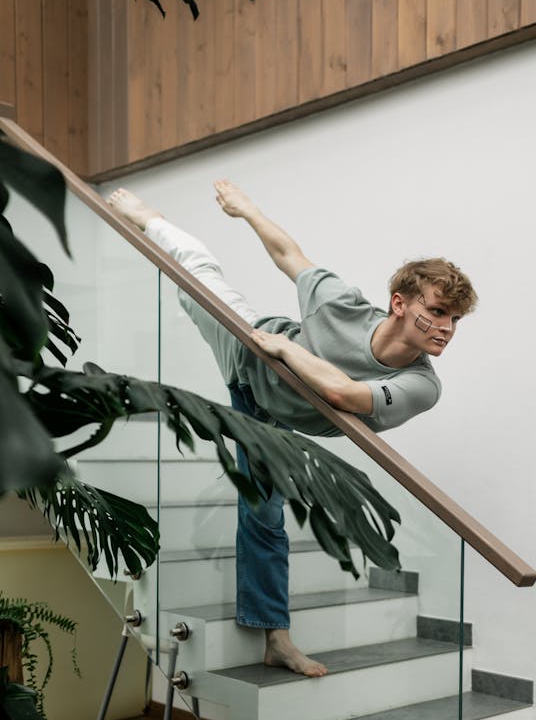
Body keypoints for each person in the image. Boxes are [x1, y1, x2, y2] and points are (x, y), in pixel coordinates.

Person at [108, 182, 477, 678]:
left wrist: (292, 352)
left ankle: (275, 640)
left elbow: (345, 395)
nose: (446, 327)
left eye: (453, 318)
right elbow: (289, 254)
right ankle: (150, 218)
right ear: (398, 304)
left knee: (263, 517)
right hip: (249, 351)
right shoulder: (340, 305)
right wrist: (248, 211)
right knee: (197, 276)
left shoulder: (420, 384)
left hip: (275, 420)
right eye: (435, 311)